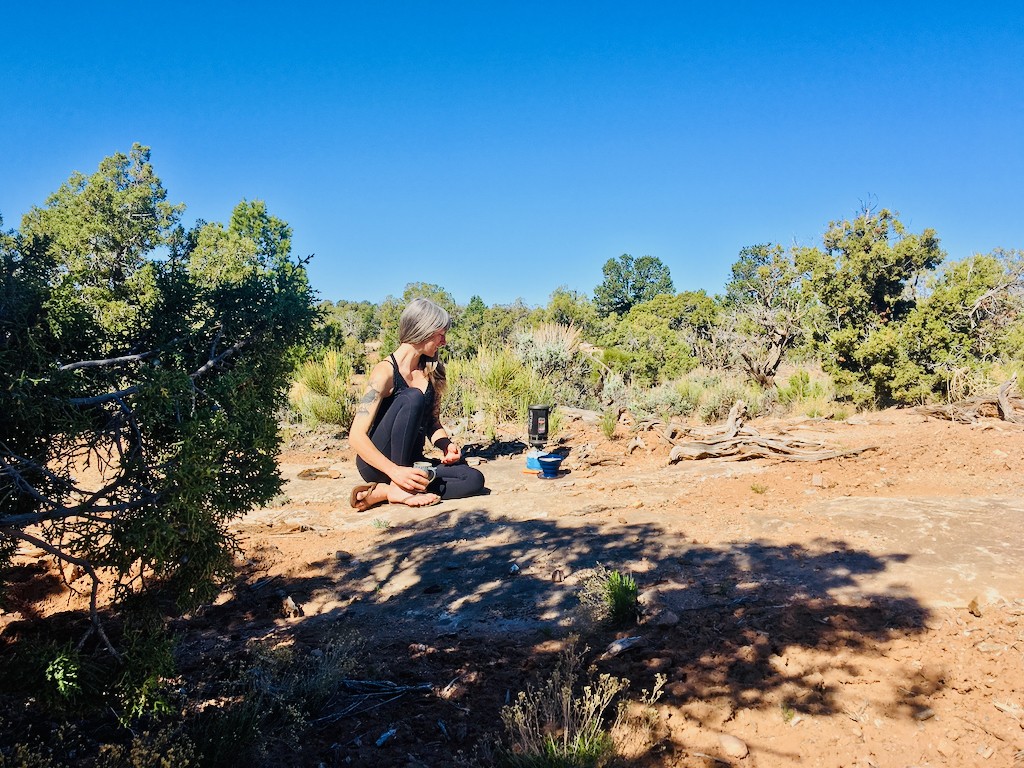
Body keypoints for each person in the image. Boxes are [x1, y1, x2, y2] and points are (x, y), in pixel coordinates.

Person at [348, 298, 485, 511]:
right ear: (424, 331)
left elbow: (432, 423)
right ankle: (398, 488)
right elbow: (356, 436)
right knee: (412, 397)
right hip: (380, 466)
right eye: (441, 335)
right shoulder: (384, 372)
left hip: (413, 463)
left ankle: (383, 492)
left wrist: (445, 445)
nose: (444, 342)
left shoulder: (431, 369)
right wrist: (395, 472)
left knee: (473, 478)